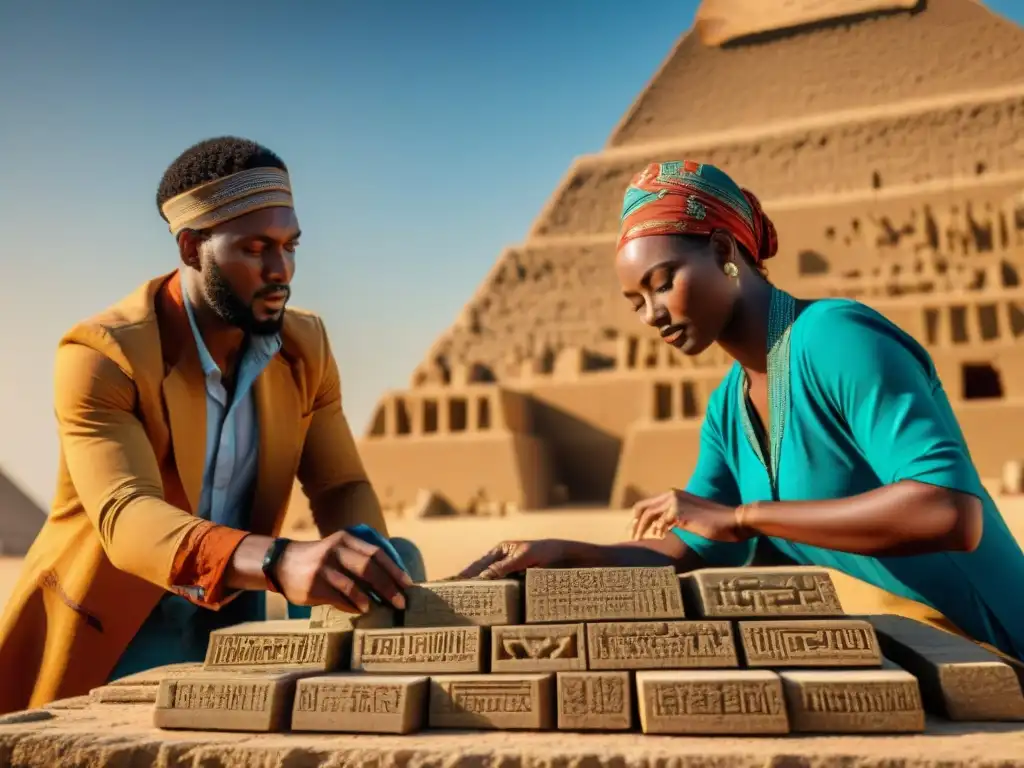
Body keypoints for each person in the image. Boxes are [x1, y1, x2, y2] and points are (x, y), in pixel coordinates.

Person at [455, 159, 1024, 663]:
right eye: (636, 303)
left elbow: (949, 512)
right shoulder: (729, 406)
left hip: (995, 649)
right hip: (916, 656)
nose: (651, 315)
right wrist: (566, 551)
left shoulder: (835, 336)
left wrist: (746, 517)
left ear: (725, 253)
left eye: (662, 283)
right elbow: (689, 548)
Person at [0, 137, 425, 714]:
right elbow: (126, 516)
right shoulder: (104, 355)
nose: (281, 271)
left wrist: (373, 566)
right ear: (192, 246)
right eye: (255, 249)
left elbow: (339, 485)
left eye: (290, 246)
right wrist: (280, 561)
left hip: (230, 630)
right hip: (109, 631)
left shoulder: (305, 349)